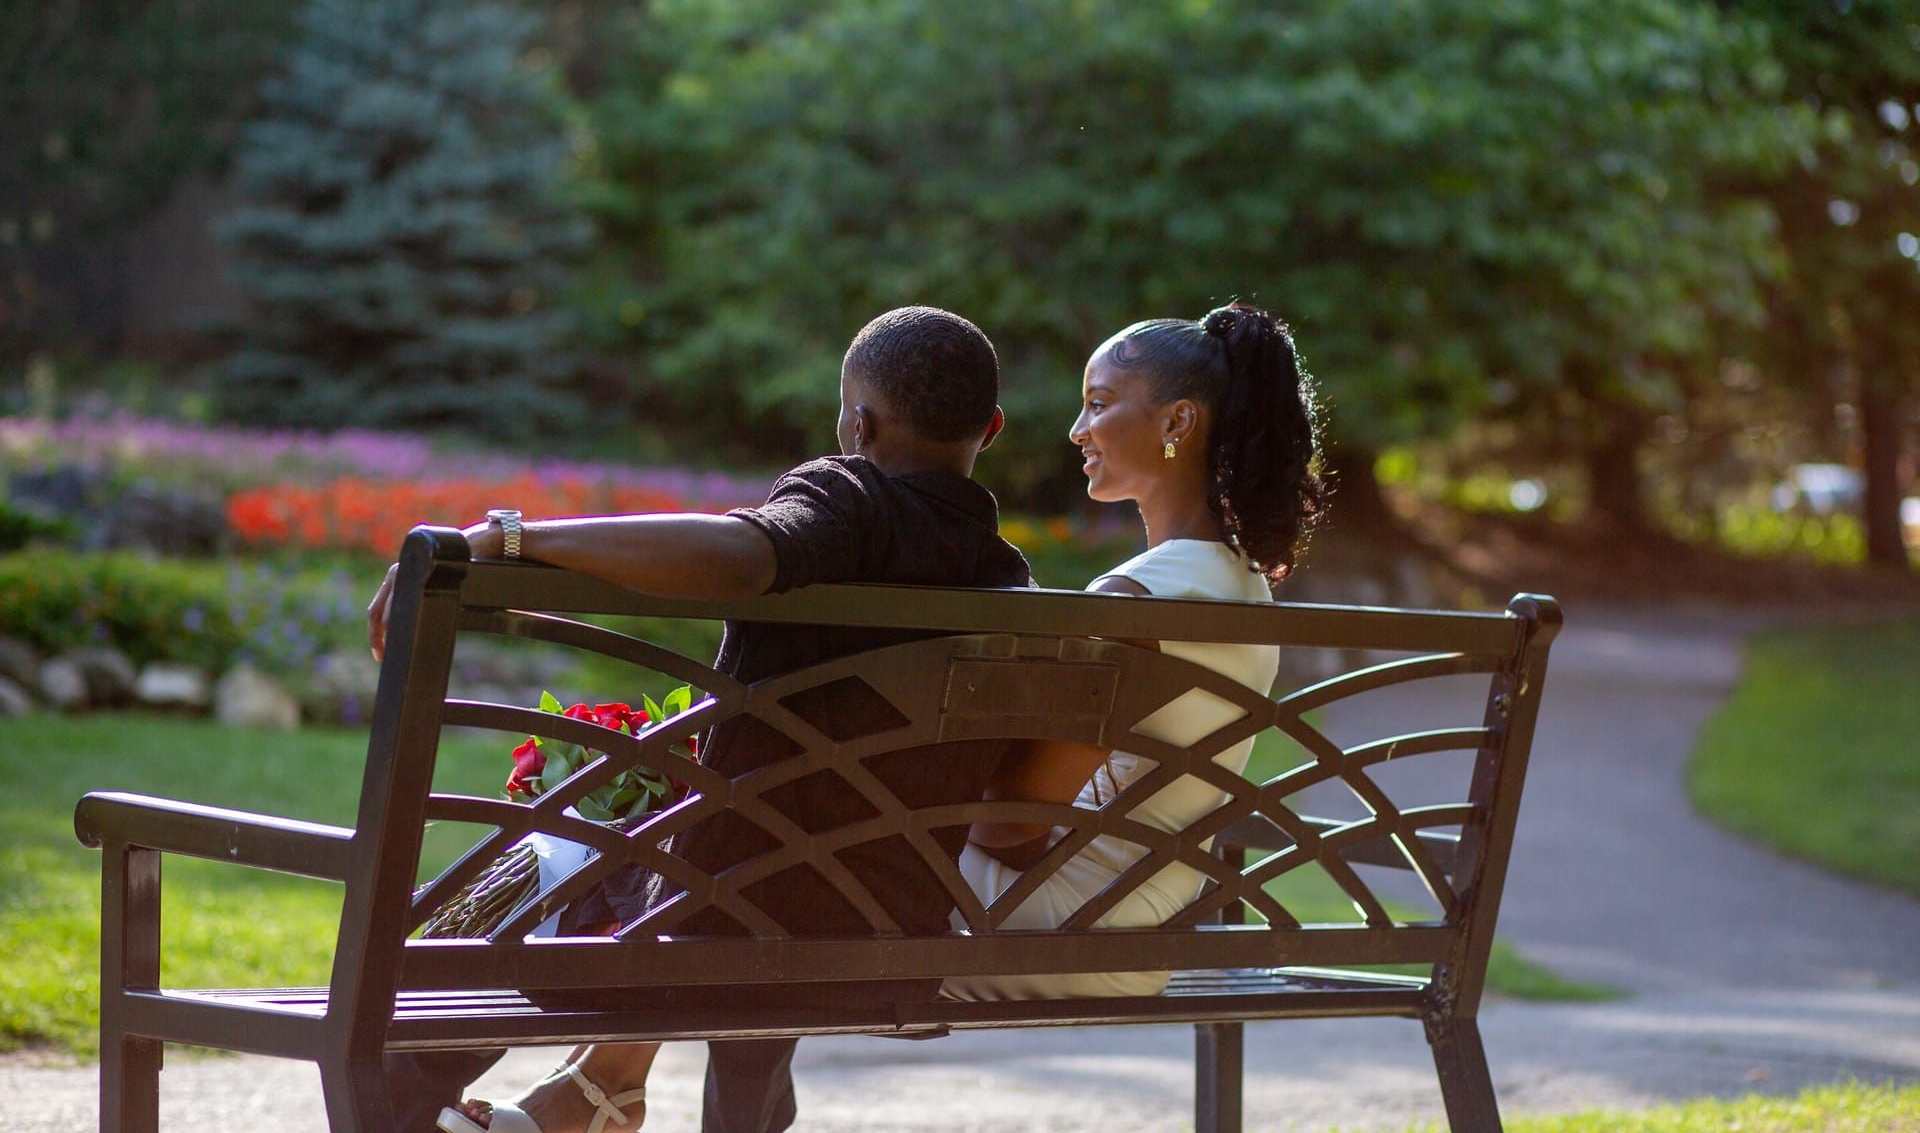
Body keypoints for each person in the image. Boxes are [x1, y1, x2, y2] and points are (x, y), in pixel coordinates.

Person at [366, 307, 1032, 1133]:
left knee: (537, 856)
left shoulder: (848, 500)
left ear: (856, 423)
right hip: (883, 945)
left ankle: (393, 1111)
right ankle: (620, 1101)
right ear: (991, 429)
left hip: (704, 935)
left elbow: (747, 554)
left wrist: (509, 536)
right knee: (757, 855)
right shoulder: (1006, 582)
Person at [947, 300, 1326, 1001]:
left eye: (1097, 404)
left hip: (1055, 925)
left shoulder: (1135, 599)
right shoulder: (1243, 587)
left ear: (1177, 422)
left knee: (794, 881)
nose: (1077, 430)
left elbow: (1011, 828)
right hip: (1137, 923)